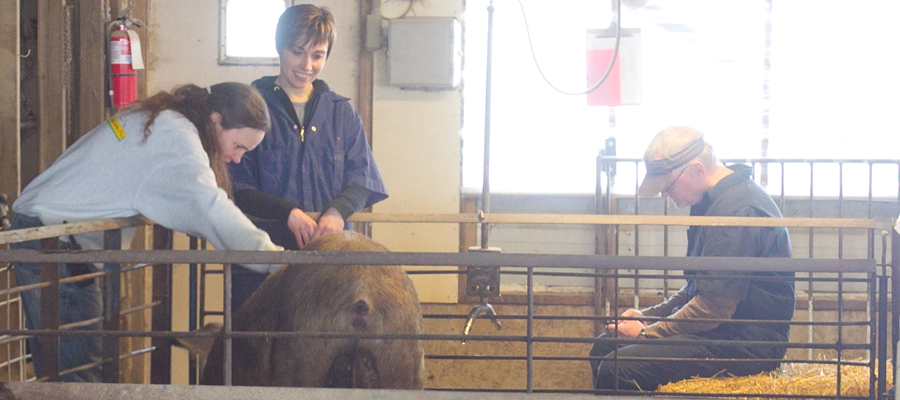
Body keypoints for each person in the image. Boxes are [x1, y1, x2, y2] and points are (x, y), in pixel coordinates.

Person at [11, 82, 284, 382]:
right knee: (79, 372)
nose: (236, 158)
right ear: (216, 120)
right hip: (53, 245)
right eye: (239, 146)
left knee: (63, 364)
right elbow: (210, 208)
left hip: (46, 235)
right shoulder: (176, 140)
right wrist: (277, 261)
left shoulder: (164, 120)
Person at [589, 126, 796, 392]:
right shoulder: (712, 203)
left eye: (668, 185)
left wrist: (645, 332)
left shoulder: (737, 210)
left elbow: (714, 308)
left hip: (745, 344)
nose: (664, 194)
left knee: (618, 367)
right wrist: (646, 316)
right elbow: (699, 289)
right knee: (605, 346)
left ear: (696, 170)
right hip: (719, 332)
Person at [227, 4, 387, 308]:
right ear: (280, 47)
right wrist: (288, 212)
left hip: (328, 259)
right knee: (260, 344)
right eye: (297, 52)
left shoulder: (341, 113)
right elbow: (236, 185)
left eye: (318, 55)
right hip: (262, 257)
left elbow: (362, 181)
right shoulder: (249, 106)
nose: (307, 65)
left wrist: (337, 212)